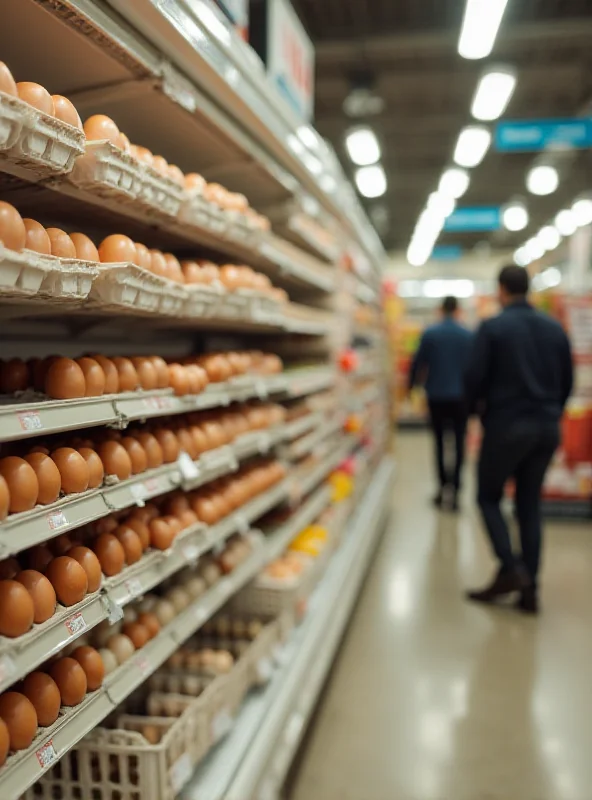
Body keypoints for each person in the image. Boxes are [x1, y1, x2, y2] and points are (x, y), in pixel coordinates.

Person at [465, 265, 573, 613]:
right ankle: (531, 590)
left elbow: (475, 379)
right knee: (529, 505)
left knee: (488, 497)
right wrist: (552, 411)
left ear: (501, 289)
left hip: (506, 425)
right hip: (546, 427)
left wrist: (476, 413)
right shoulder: (555, 328)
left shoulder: (494, 327)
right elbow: (567, 380)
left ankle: (510, 569)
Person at [409, 295, 473, 510]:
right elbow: (476, 369)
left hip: (436, 396)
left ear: (440, 309)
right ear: (458, 310)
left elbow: (417, 364)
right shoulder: (468, 335)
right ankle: (455, 491)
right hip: (462, 397)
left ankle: (441, 488)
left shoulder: (431, 333)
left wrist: (412, 388)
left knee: (438, 443)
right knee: (459, 444)